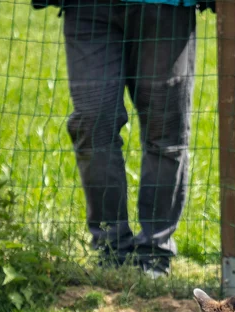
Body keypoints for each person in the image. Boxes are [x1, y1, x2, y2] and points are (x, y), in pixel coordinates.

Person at [31, 0, 214, 278]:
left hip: (167, 7)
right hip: (88, 10)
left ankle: (154, 253)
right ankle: (110, 250)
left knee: (166, 134)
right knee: (93, 125)